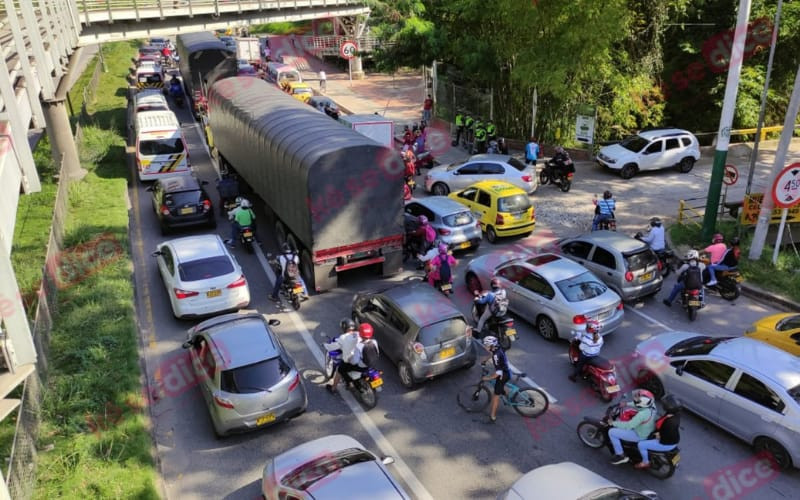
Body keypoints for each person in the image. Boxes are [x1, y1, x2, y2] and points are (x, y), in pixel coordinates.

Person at [609, 389, 658, 464]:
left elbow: (628, 425)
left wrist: (614, 423)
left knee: (612, 432)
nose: (635, 399)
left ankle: (621, 455)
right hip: (649, 429)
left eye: (637, 399)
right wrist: (627, 404)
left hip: (639, 435)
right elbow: (639, 404)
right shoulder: (652, 406)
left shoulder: (642, 415)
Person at [635, 394, 682, 469]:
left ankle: (645, 462)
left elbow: (664, 435)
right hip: (674, 440)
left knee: (641, 444)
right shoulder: (675, 414)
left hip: (666, 442)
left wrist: (658, 435)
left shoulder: (670, 422)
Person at [324, 319, 361, 393]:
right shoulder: (359, 334)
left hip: (350, 360)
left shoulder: (343, 337)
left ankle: (333, 388)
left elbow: (333, 346)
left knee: (339, 371)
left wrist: (325, 345)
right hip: (360, 358)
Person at [481, 336, 511, 423]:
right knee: (500, 386)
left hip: (504, 374)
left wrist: (487, 378)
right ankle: (506, 394)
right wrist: (485, 360)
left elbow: (498, 374)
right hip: (506, 370)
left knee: (495, 397)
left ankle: (492, 417)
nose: (485, 347)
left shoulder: (496, 356)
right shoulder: (496, 348)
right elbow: (492, 353)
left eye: (486, 345)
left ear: (491, 345)